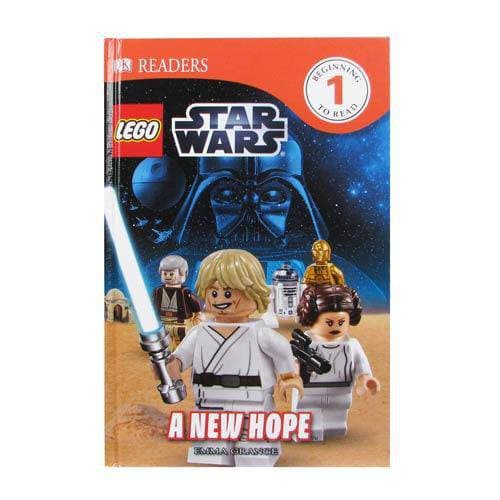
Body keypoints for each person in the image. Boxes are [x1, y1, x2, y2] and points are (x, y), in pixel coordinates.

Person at [167, 249, 303, 466]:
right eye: (213, 293)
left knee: (253, 457)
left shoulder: (261, 333)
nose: (220, 299)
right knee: (210, 457)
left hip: (252, 404)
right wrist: (166, 365)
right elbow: (178, 362)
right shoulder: (199, 332)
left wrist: (289, 379)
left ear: (254, 293)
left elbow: (283, 353)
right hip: (209, 404)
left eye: (229, 293)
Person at [293, 284, 380, 440]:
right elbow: (293, 366)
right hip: (309, 393)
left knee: (337, 425)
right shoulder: (304, 345)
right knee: (309, 423)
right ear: (313, 318)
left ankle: (333, 428)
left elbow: (362, 369)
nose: (336, 327)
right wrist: (293, 377)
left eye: (341, 322)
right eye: (329, 322)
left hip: (340, 393)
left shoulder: (352, 345)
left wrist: (366, 381)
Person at [152, 255, 202, 350]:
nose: (168, 276)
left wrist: (198, 315)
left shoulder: (185, 292)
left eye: (171, 274)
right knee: (165, 344)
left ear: (183, 273)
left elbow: (195, 304)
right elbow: (154, 306)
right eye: (165, 273)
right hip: (163, 323)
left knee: (182, 344)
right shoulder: (158, 292)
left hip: (181, 323)